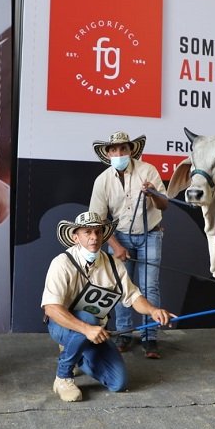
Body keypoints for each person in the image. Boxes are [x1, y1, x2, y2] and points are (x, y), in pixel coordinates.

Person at [41, 211, 174, 402]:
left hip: (94, 330)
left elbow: (134, 296)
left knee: (118, 383)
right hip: (64, 326)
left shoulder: (114, 265)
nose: (94, 237)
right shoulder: (61, 263)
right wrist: (86, 329)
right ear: (75, 237)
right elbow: (51, 309)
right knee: (87, 317)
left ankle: (74, 350)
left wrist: (153, 310)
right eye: (87, 232)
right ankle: (63, 377)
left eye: (98, 232)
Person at [89, 131, 168, 358]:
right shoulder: (102, 180)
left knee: (149, 285)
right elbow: (98, 219)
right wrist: (115, 245)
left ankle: (149, 337)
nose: (119, 153)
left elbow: (164, 205)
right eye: (114, 149)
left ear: (131, 150)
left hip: (150, 233)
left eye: (123, 148)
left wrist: (152, 193)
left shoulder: (148, 170)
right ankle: (124, 332)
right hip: (119, 236)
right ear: (108, 153)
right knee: (121, 287)